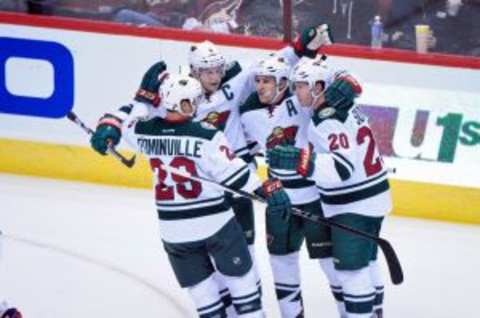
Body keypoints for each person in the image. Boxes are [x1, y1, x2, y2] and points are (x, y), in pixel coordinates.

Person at [89, 73, 293, 317]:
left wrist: (141, 98)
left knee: (206, 301)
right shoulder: (205, 134)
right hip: (215, 225)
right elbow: (235, 175)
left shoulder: (144, 131)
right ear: (184, 102)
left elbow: (123, 119)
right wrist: (268, 190)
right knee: (245, 292)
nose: (197, 104)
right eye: (193, 100)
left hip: (174, 232)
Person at [267, 56, 392, 318]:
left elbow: (341, 169)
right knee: (367, 263)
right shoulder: (341, 108)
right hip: (374, 196)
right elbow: (351, 82)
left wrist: (301, 161)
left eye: (301, 85)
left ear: (318, 87)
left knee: (350, 271)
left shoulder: (326, 119)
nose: (295, 90)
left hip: (355, 205)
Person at [239, 55, 350, 317]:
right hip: (278, 200)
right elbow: (243, 150)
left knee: (330, 265)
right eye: (258, 80)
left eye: (267, 81)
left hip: (314, 197)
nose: (261, 86)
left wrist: (329, 71)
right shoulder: (248, 114)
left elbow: (330, 85)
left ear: (283, 83)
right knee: (281, 265)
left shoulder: (302, 103)